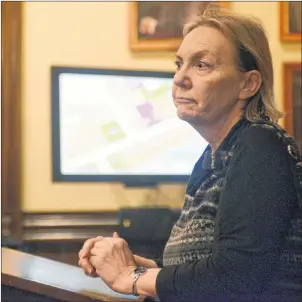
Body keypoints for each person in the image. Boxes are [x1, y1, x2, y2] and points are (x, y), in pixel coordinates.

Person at [78, 7, 302, 302]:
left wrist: (129, 278)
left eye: (202, 65)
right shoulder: (211, 157)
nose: (180, 78)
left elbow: (236, 277)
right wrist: (140, 268)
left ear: (248, 84)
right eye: (179, 63)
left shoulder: (259, 145)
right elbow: (208, 272)